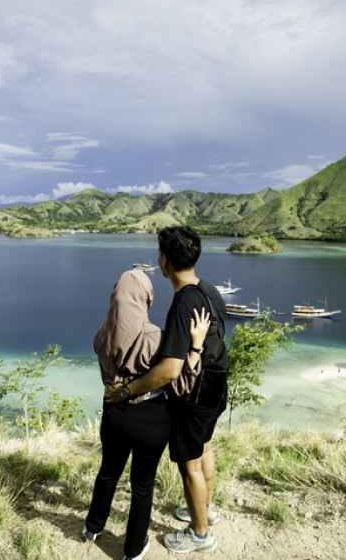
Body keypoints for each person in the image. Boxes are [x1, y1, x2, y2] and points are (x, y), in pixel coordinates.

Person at [107, 226, 227, 555]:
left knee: (189, 464)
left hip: (194, 394)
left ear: (165, 261)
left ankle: (200, 534)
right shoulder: (209, 290)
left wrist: (125, 391)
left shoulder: (182, 304)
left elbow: (169, 370)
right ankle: (205, 509)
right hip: (216, 384)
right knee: (204, 447)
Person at [84, 268, 209, 560]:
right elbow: (181, 381)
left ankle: (92, 527)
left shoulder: (101, 335)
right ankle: (133, 548)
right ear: (146, 298)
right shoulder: (156, 337)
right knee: (142, 484)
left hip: (113, 413)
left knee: (108, 472)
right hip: (151, 417)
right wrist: (196, 346)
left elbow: (109, 376)